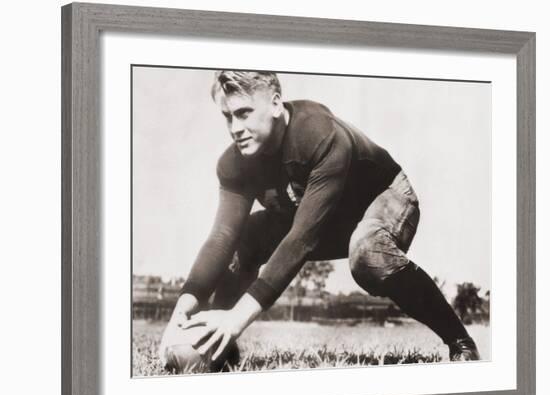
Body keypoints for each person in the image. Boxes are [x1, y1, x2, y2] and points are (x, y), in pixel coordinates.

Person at [159, 71, 480, 371]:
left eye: (243, 113)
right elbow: (221, 237)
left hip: (381, 198)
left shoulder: (318, 133)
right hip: (319, 218)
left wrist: (237, 317)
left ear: (274, 103)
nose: (235, 128)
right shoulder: (233, 163)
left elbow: (301, 239)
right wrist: (182, 311)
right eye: (227, 116)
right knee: (242, 242)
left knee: (368, 252)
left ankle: (460, 341)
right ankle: (220, 352)